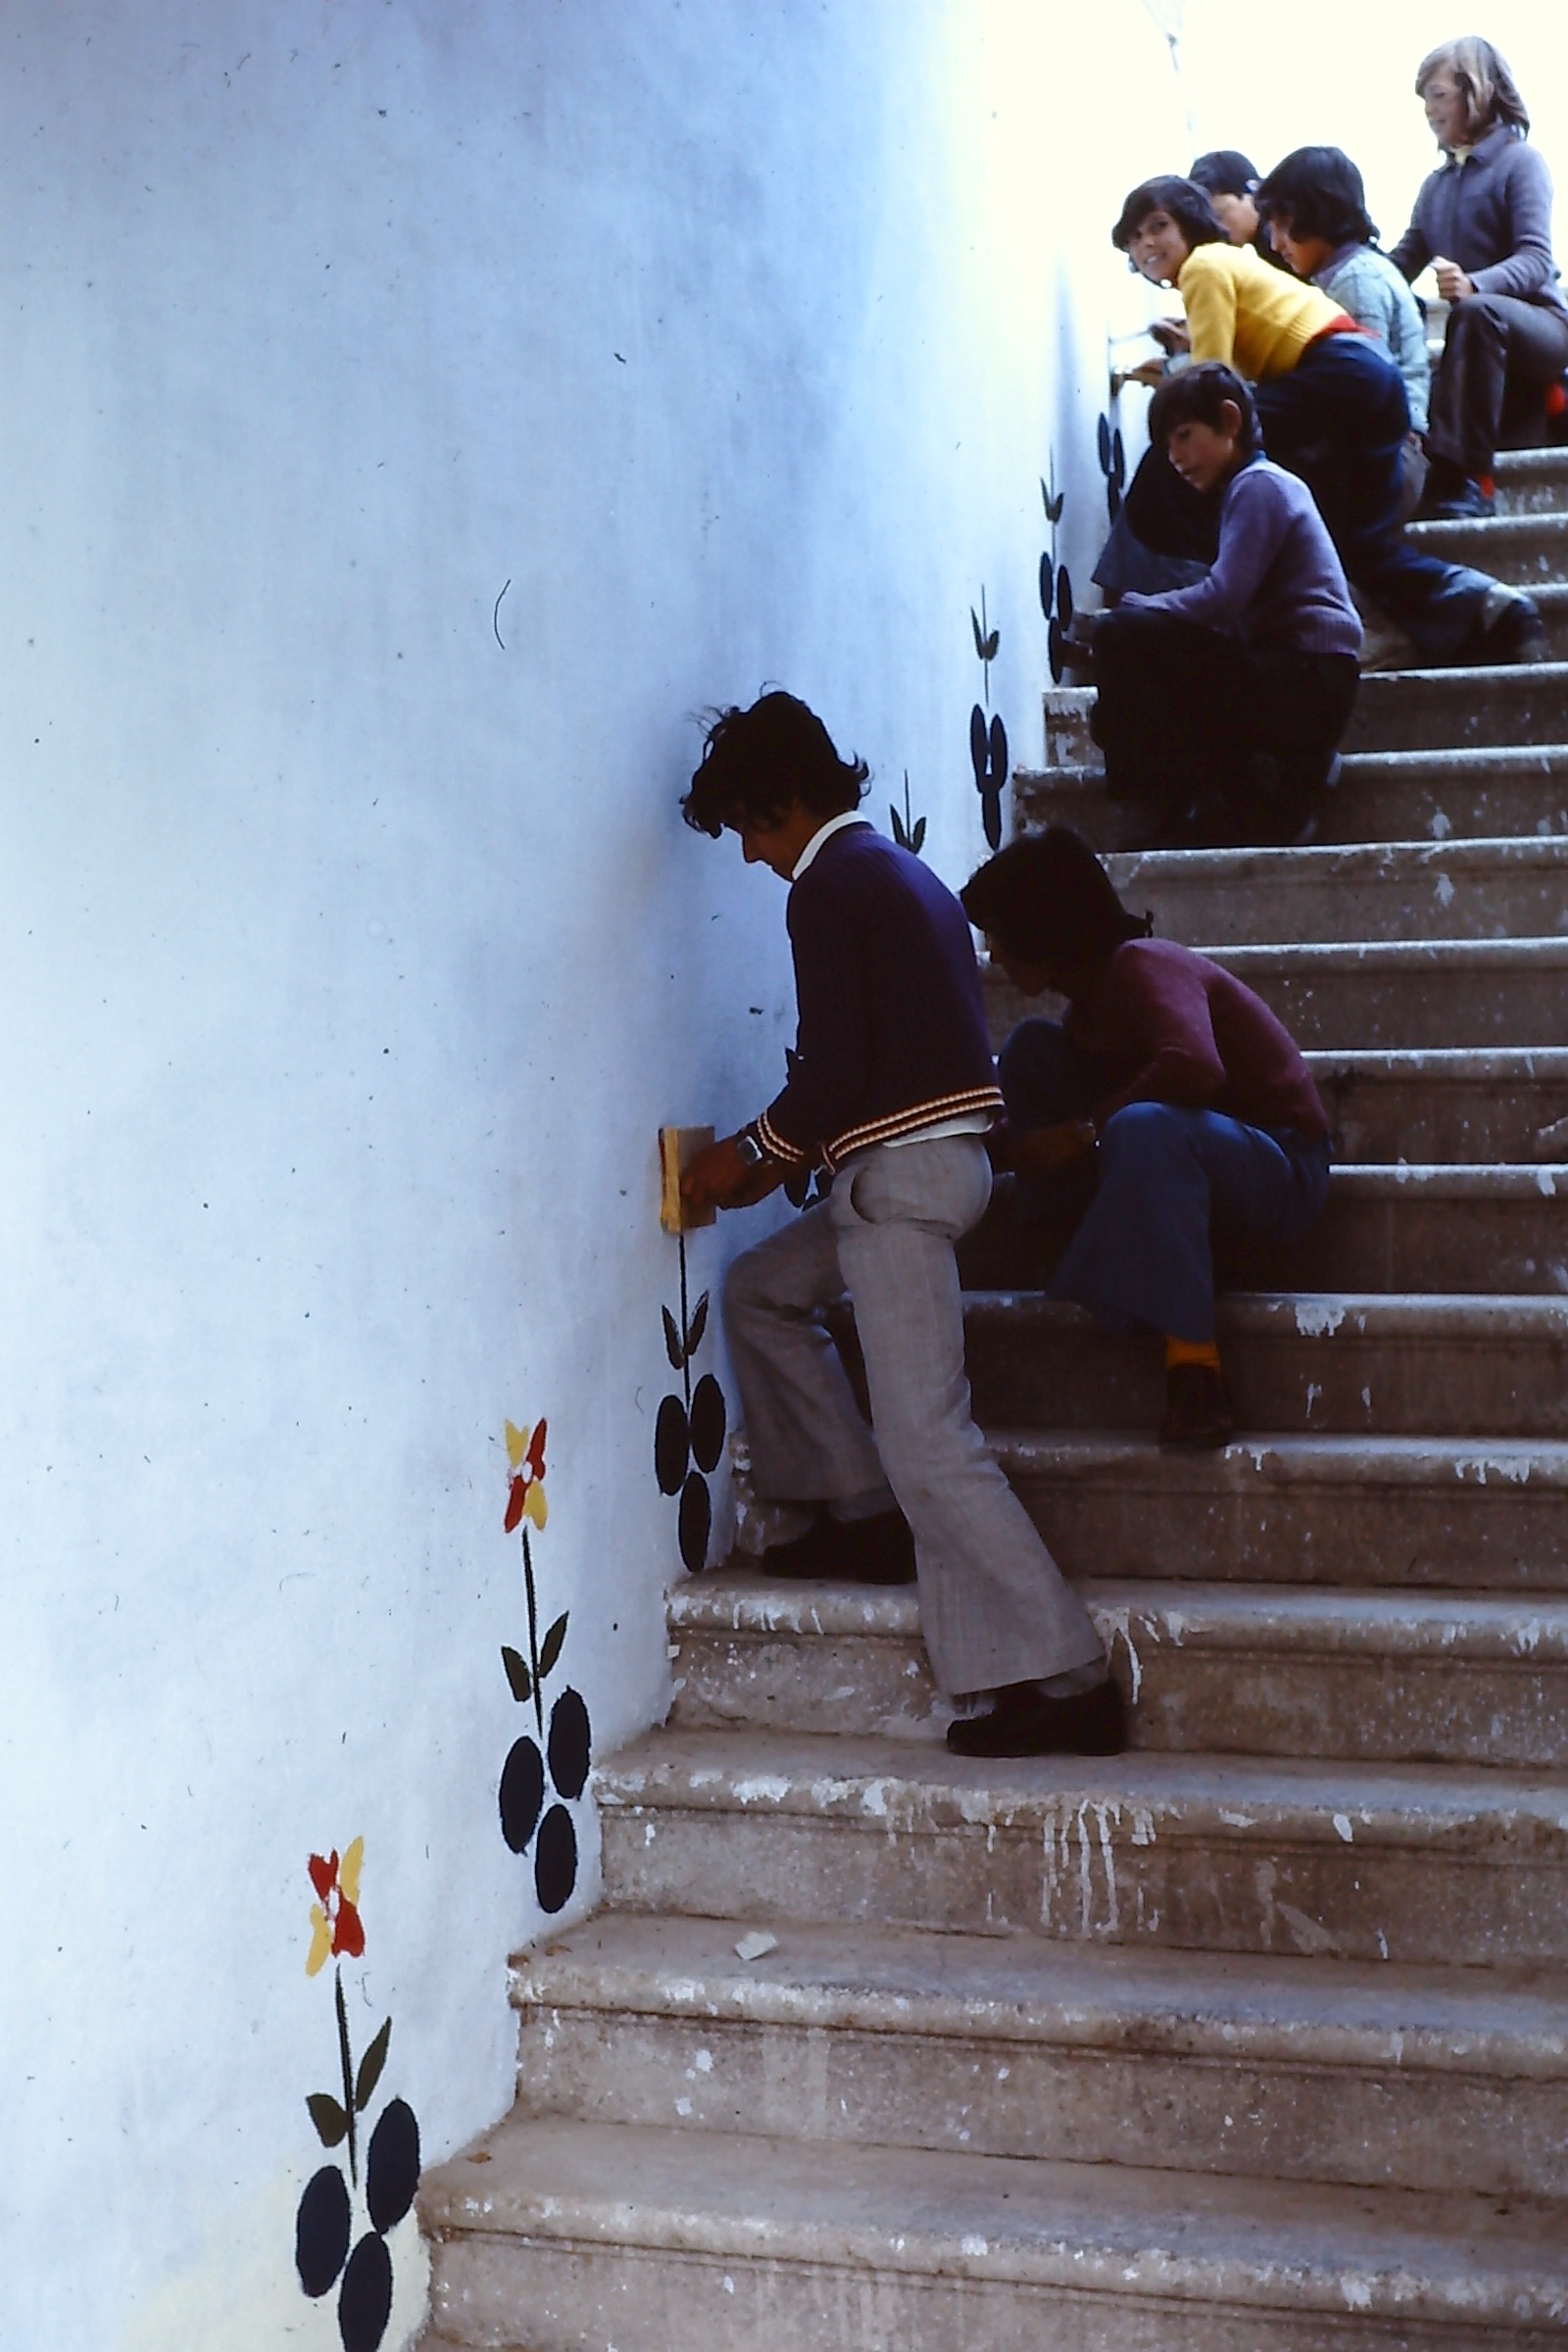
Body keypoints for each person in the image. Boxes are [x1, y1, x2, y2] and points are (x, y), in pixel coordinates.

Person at [677, 691, 1125, 1760]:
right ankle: (856, 1507)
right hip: (927, 1166)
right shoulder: (900, 872)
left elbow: (833, 1072)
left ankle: (1070, 1676)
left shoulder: (828, 885)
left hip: (903, 1180)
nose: (747, 852)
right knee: (762, 1293)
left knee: (931, 1443)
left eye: (749, 823)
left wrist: (748, 1157)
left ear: (787, 800)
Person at [960, 828, 1332, 1449]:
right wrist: (977, 1146)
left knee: (1142, 1124)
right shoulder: (1088, 1010)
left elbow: (1194, 1067)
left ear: (1043, 925)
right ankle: (1065, 1244)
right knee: (1029, 1049)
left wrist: (1079, 1136)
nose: (994, 952)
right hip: (1191, 1167)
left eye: (1000, 932)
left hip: (1282, 1165)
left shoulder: (1143, 964)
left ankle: (1196, 1375)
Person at [1112, 174, 1546, 665]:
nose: (1147, 243)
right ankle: (1492, 605)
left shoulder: (1203, 265)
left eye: (1159, 226)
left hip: (1338, 371)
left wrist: (1171, 373)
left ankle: (1170, 610)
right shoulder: (1231, 262)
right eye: (1134, 237)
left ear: (1190, 223)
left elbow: (1214, 387)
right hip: (1370, 378)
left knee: (1190, 470)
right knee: (1355, 541)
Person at [1087, 363, 1360, 846]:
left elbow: (1222, 597)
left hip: (1308, 683)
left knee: (1121, 636)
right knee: (1137, 666)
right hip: (1304, 682)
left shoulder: (1259, 486)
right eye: (1168, 445)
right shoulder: (1253, 487)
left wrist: (1139, 606)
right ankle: (1253, 784)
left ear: (1229, 421)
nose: (1175, 457)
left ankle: (1206, 795)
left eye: (1185, 436)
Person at [1390, 37, 1568, 519]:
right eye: (1424, 98)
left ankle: (1469, 478)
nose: (1428, 109)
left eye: (1438, 94)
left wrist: (1476, 284)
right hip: (1480, 330)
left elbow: (1535, 259)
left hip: (1542, 327)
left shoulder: (1521, 163)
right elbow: (1400, 263)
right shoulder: (1435, 185)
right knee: (1464, 320)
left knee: (1473, 313)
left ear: (1478, 92)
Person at [1257, 144, 1432, 516]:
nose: (1275, 244)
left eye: (1283, 225)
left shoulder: (1355, 280)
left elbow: (1360, 397)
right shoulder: (1345, 274)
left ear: (1318, 214)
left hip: (1386, 463)